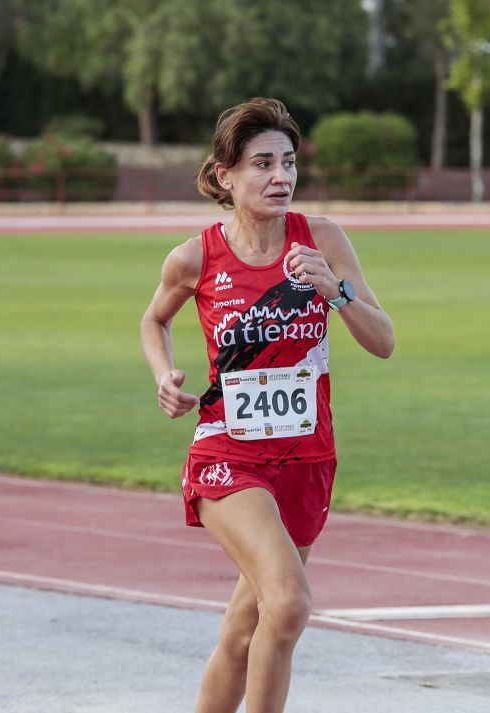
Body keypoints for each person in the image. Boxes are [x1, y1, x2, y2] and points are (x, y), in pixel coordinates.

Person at [140, 97, 394, 713]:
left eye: (288, 162)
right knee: (288, 601)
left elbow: (382, 340)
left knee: (245, 627)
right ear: (225, 175)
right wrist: (165, 375)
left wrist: (335, 291)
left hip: (308, 456)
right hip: (228, 453)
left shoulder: (322, 239)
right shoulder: (195, 257)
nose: (281, 177)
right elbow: (154, 319)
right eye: (262, 164)